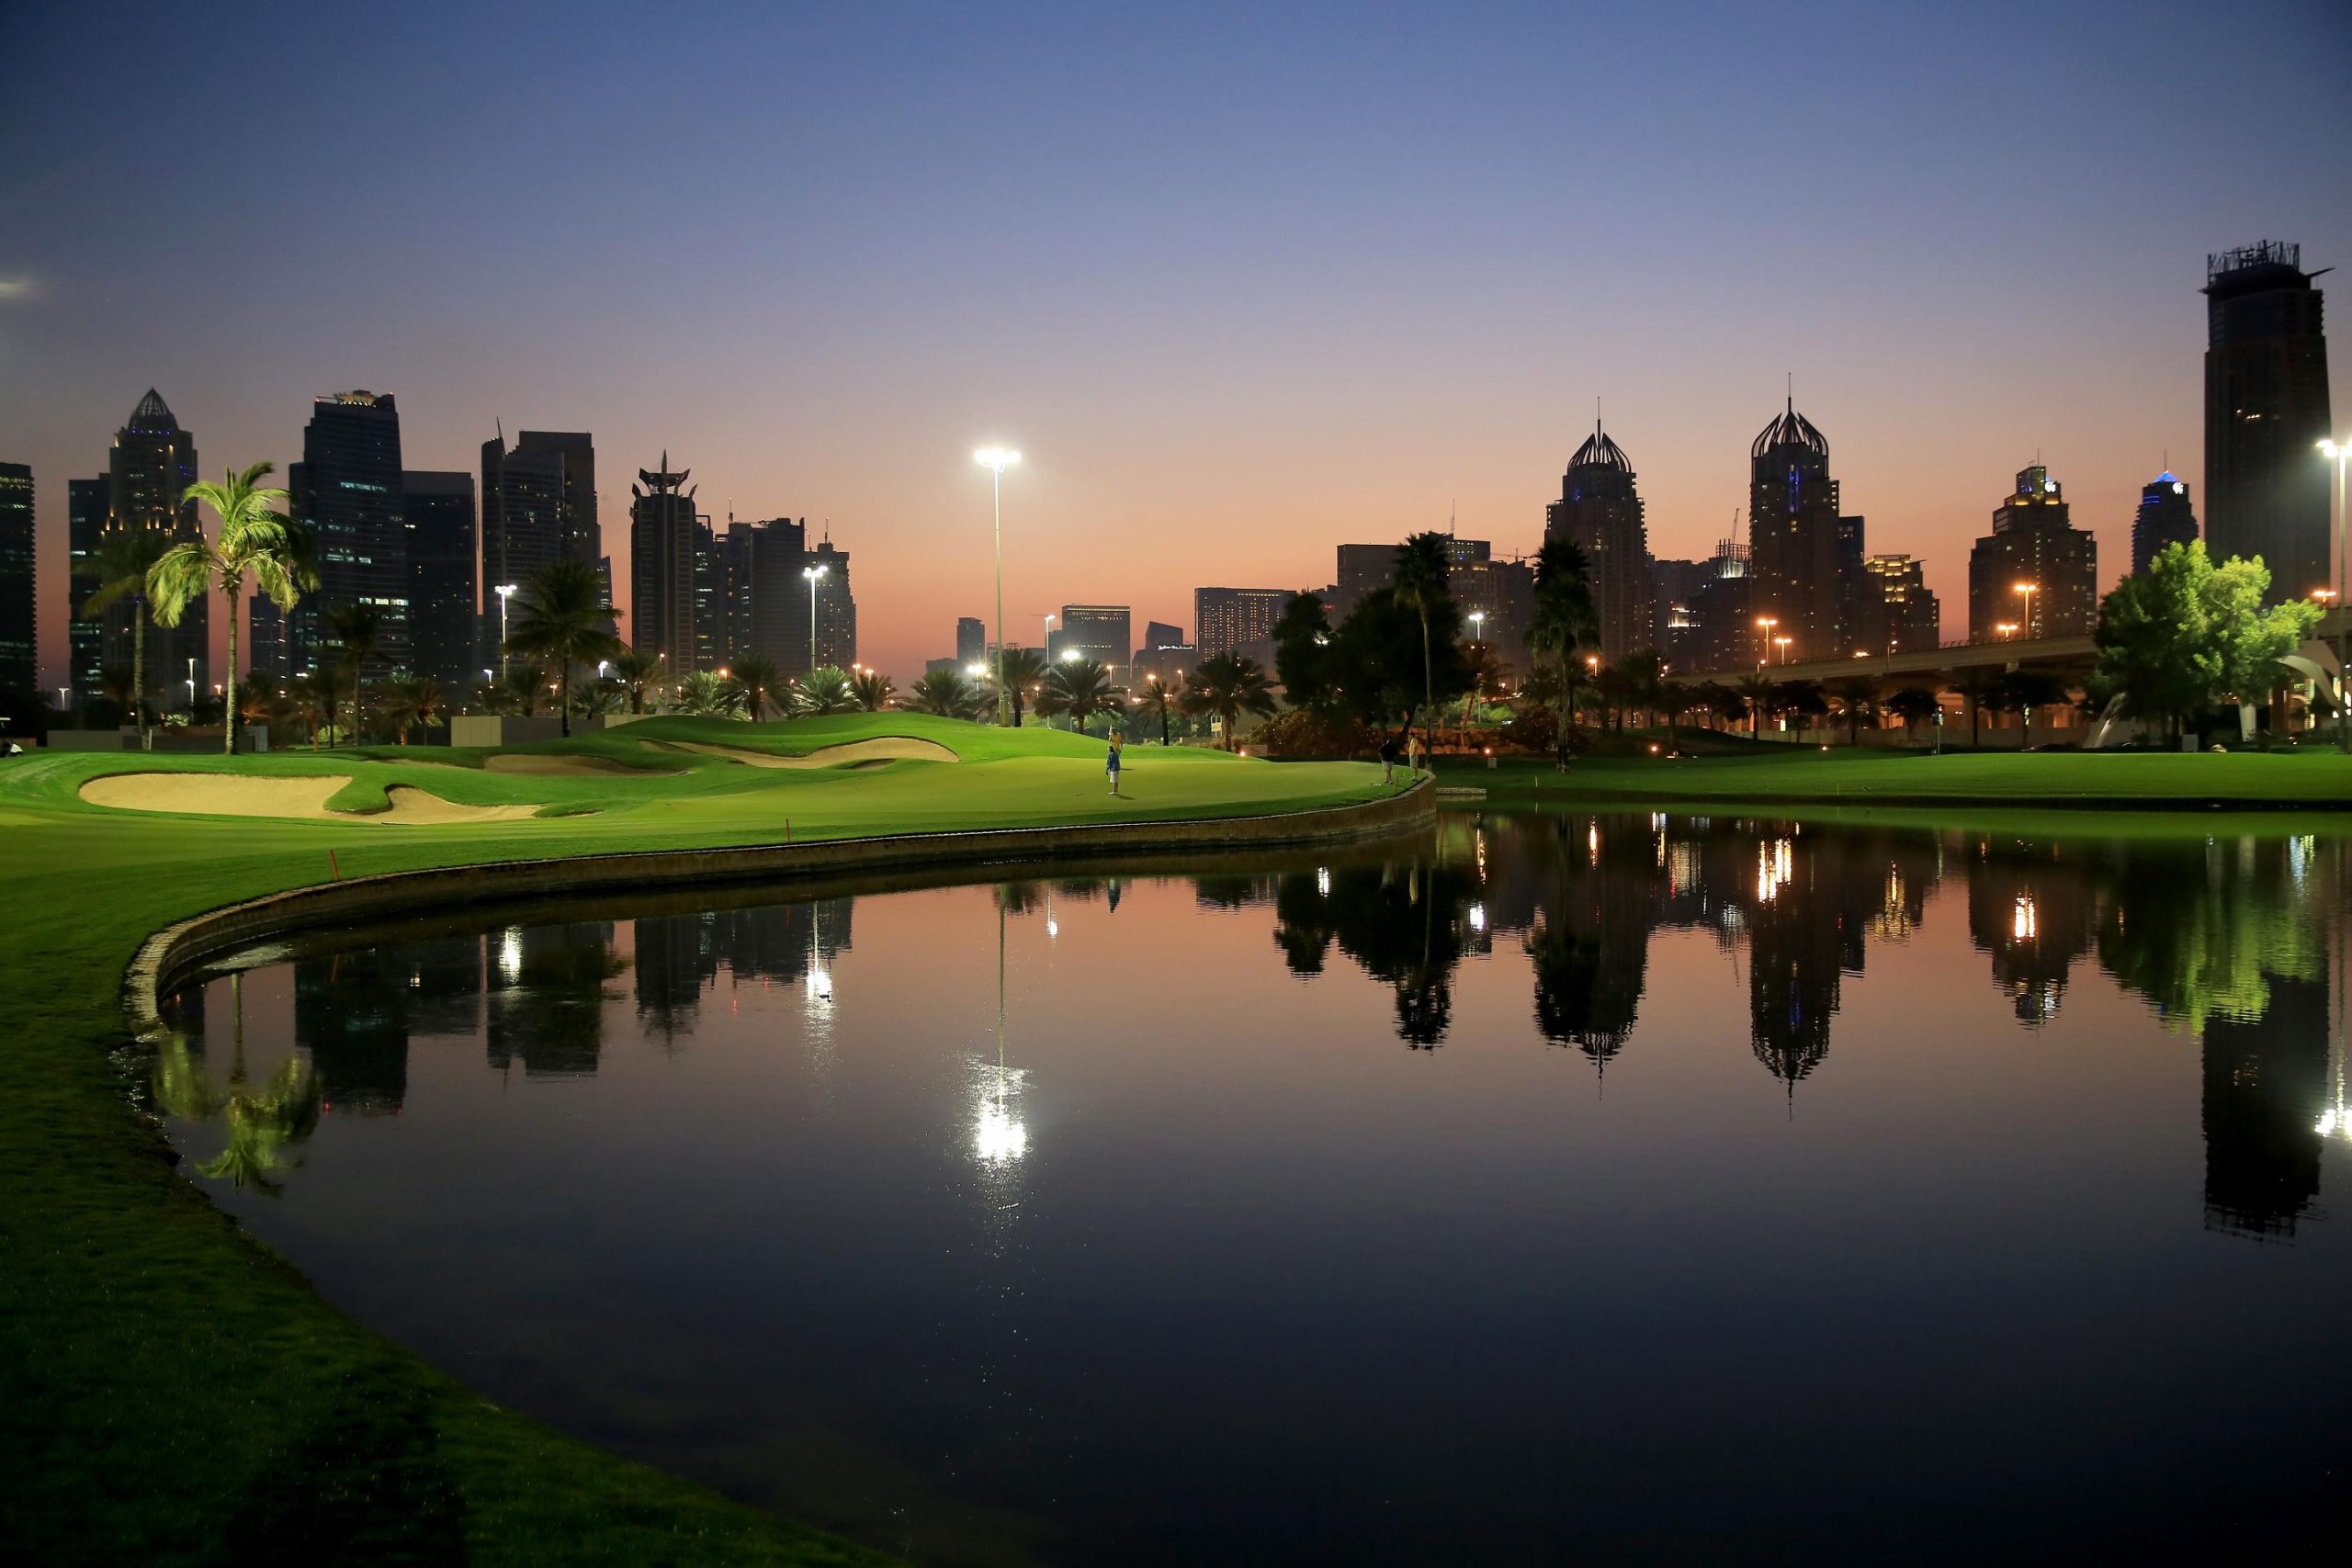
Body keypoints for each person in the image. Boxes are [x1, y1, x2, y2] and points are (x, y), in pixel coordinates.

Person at [1105, 730, 1125, 795]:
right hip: (1117, 768)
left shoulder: (1110, 755)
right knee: (1116, 780)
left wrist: (1107, 769)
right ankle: (1116, 791)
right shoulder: (1116, 754)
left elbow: (1109, 763)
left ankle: (1114, 791)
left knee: (1113, 780)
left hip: (1113, 769)